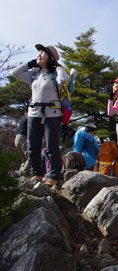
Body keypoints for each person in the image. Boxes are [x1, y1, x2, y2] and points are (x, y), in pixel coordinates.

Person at [11, 44, 69, 186]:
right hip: (33, 113)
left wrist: (57, 66)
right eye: (39, 52)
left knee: (51, 145)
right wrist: (29, 64)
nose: (39, 54)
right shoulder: (34, 74)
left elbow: (64, 80)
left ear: (51, 58)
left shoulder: (55, 74)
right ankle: (36, 173)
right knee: (33, 145)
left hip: (52, 113)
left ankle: (54, 175)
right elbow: (15, 73)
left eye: (44, 53)